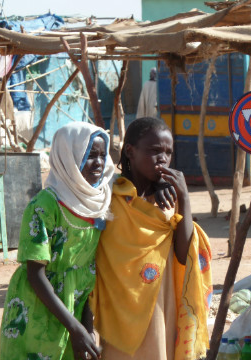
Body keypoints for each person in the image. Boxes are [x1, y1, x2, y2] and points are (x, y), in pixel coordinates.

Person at [91, 117, 212, 360]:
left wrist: (184, 198)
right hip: (119, 309)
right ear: (130, 151)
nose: (163, 158)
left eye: (168, 152)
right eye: (155, 151)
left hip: (162, 303)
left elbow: (184, 254)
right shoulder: (108, 197)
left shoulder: (169, 198)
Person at [0, 122, 115, 360]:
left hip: (78, 306)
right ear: (68, 158)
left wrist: (86, 327)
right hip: (38, 306)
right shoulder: (45, 205)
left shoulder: (99, 203)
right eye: (90, 155)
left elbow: (89, 270)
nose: (99, 163)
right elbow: (35, 274)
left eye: (103, 155)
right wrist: (74, 328)